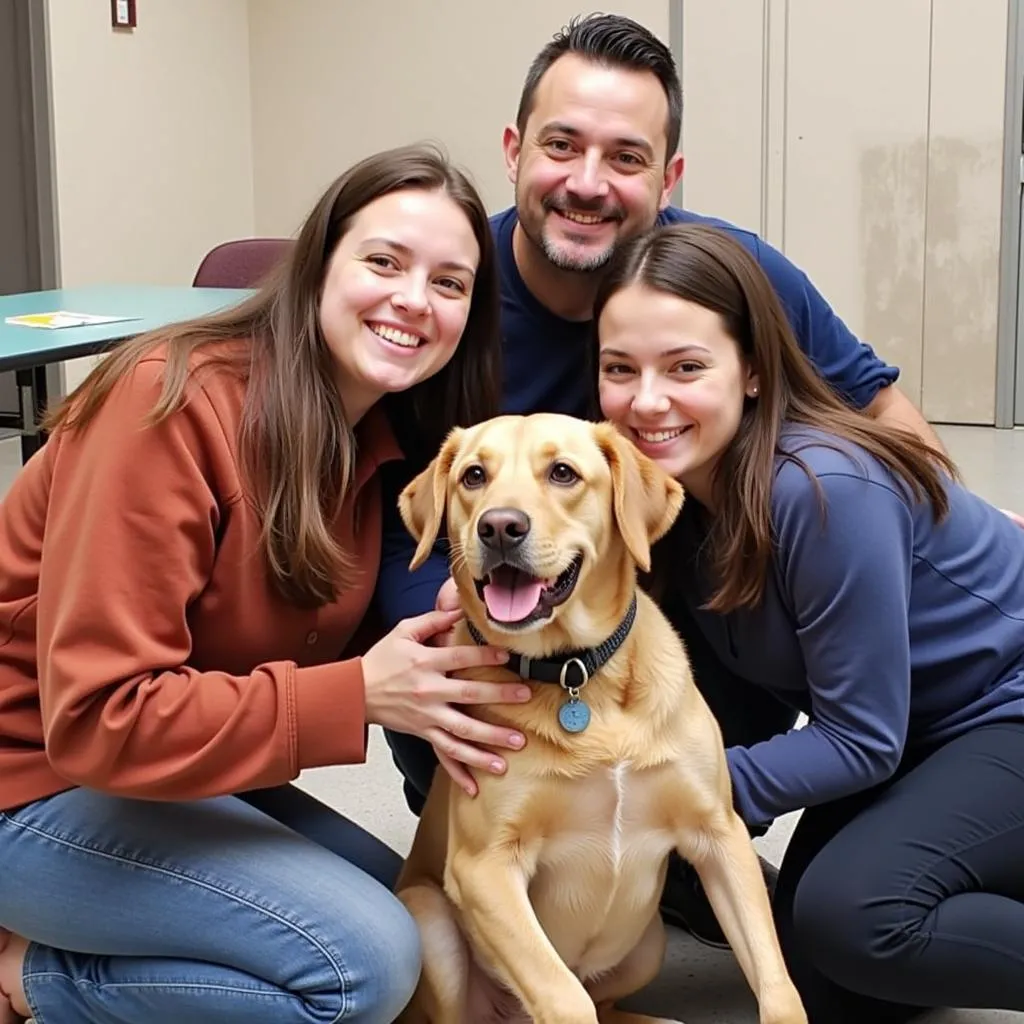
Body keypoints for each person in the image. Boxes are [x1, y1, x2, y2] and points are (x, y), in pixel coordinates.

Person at [376, 11, 952, 949]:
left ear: (669, 176)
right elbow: (389, 492)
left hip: (698, 615)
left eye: (627, 156)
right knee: (449, 689)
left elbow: (881, 413)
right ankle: (554, 875)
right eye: (562, 145)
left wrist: (941, 565)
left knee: (838, 927)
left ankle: (664, 845)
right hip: (495, 614)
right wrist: (446, 618)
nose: (588, 183)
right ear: (516, 150)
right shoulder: (455, 295)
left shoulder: (723, 275)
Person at [0, 143, 537, 1024]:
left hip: (161, 779)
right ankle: (35, 980)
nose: (413, 299)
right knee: (362, 966)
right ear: (320, 266)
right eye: (384, 261)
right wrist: (359, 692)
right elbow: (99, 718)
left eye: (450, 283)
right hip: (32, 782)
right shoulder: (164, 405)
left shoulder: (373, 434)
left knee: (428, 928)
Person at [592, 220, 1024, 1022]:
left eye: (686, 367)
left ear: (752, 371)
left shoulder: (823, 490)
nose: (646, 401)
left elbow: (861, 738)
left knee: (857, 919)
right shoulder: (667, 494)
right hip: (917, 734)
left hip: (1003, 710)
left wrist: (670, 793)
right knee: (825, 968)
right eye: (621, 369)